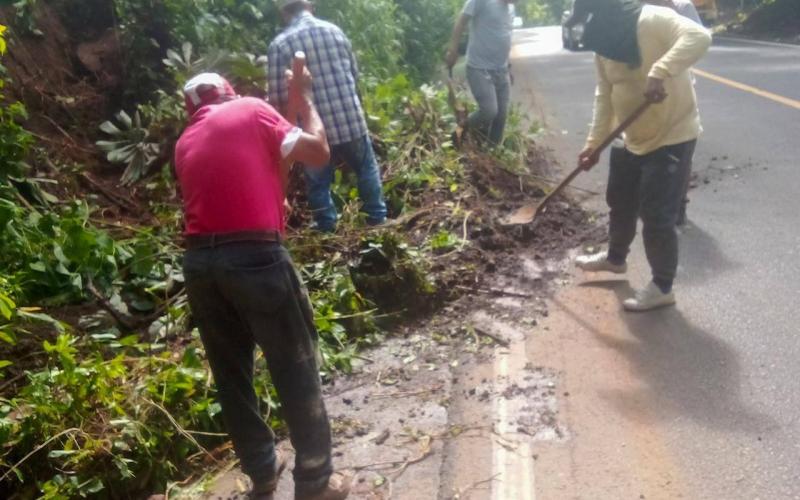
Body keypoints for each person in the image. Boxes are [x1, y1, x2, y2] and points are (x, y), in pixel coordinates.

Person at [174, 68, 350, 500]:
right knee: (294, 363)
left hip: (201, 266)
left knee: (231, 376)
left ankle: (263, 471)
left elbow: (256, 178)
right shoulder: (251, 110)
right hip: (256, 259)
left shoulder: (185, 141)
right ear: (228, 93)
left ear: (192, 108)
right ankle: (315, 480)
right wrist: (305, 100)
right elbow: (318, 152)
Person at [568, 0, 711, 311]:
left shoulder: (652, 19)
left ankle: (662, 286)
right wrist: (594, 144)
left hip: (672, 134)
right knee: (620, 200)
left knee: (656, 214)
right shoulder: (604, 42)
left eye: (591, 24)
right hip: (630, 135)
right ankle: (615, 259)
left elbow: (700, 37)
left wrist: (660, 71)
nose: (590, 33)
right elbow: (605, 94)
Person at [268, 0, 387, 233]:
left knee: (318, 182)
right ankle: (377, 221)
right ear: (310, 6)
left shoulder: (280, 45)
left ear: (284, 12)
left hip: (314, 129)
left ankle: (326, 229)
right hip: (349, 118)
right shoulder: (335, 31)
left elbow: (277, 97)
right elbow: (354, 75)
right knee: (365, 168)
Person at [445, 0, 516, 147]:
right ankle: (458, 132)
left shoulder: (511, 8)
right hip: (479, 68)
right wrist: (453, 49)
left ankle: (493, 151)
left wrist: (508, 67)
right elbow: (461, 21)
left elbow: (504, 36)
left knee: (501, 116)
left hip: (501, 70)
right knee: (489, 111)